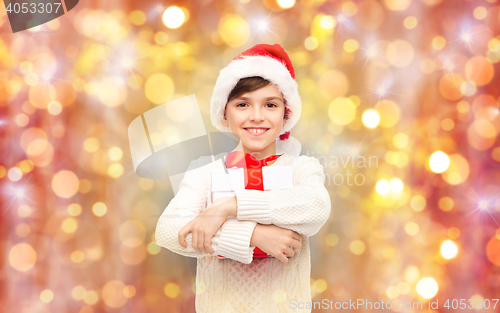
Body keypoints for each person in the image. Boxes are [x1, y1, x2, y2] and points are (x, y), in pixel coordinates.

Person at [154, 43, 331, 313]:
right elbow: (168, 231)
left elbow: (316, 206)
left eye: (270, 104)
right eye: (243, 104)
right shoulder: (205, 174)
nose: (256, 116)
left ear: (286, 115)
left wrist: (228, 206)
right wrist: (253, 235)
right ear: (225, 113)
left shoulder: (303, 169)